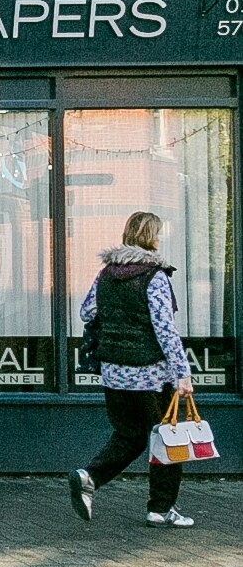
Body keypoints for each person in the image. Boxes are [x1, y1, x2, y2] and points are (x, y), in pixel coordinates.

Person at [70, 210, 196, 528]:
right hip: (151, 374)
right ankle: (160, 508)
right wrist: (183, 373)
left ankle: (90, 477)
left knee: (131, 434)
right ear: (152, 238)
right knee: (168, 438)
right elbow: (165, 328)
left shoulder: (107, 275)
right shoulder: (154, 277)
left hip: (113, 371)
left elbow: (87, 311)